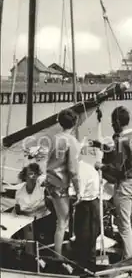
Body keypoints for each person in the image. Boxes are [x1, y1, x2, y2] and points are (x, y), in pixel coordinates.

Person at [95, 106, 132, 260]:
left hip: (125, 185)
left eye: (112, 123)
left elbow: (116, 168)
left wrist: (101, 166)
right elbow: (125, 159)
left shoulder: (121, 141)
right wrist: (101, 146)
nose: (112, 126)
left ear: (117, 122)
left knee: (124, 225)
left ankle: (128, 259)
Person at [45, 108, 81, 259]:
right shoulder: (72, 141)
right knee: (62, 221)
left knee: (60, 219)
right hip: (61, 184)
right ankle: (58, 257)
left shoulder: (54, 138)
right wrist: (79, 190)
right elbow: (73, 170)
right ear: (75, 123)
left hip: (51, 181)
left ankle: (60, 252)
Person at [69, 155, 100, 270]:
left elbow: (78, 196)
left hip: (89, 205)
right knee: (81, 237)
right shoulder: (81, 168)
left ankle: (87, 268)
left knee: (86, 238)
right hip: (85, 204)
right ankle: (83, 265)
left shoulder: (81, 171)